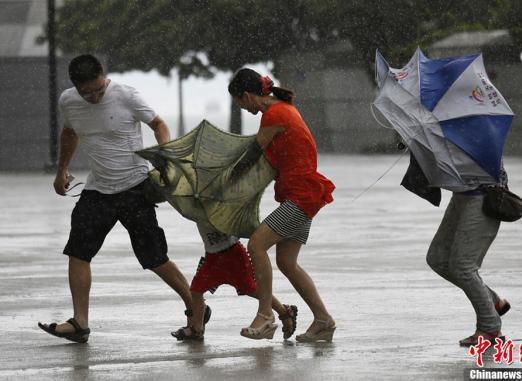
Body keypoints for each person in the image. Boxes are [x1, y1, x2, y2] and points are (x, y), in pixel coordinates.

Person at [38, 54, 202, 343]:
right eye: (86, 92)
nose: (94, 97)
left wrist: (165, 158)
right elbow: (69, 132)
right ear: (75, 86)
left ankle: (195, 305)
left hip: (135, 189)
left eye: (99, 89)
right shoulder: (69, 100)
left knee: (154, 258)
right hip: (97, 190)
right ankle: (80, 322)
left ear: (104, 77)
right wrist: (62, 169)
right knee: (78, 252)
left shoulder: (126, 95)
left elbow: (159, 124)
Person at [227, 68, 336, 342]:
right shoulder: (282, 109)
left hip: (302, 195)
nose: (241, 107)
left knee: (256, 245)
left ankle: (265, 315)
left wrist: (224, 178)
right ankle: (323, 320)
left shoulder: (275, 115)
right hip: (304, 193)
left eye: (240, 101)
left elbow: (252, 155)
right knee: (287, 262)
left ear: (248, 95)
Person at [426, 167, 511, 346]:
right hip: (461, 195)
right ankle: (494, 302)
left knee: (463, 267)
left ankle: (490, 328)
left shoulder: (482, 139)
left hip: (484, 196)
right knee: (438, 258)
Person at [171, 223, 298, 341]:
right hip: (212, 258)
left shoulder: (221, 205)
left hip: (234, 255)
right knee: (196, 290)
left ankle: (285, 312)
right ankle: (197, 329)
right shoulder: (196, 204)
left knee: (252, 289)